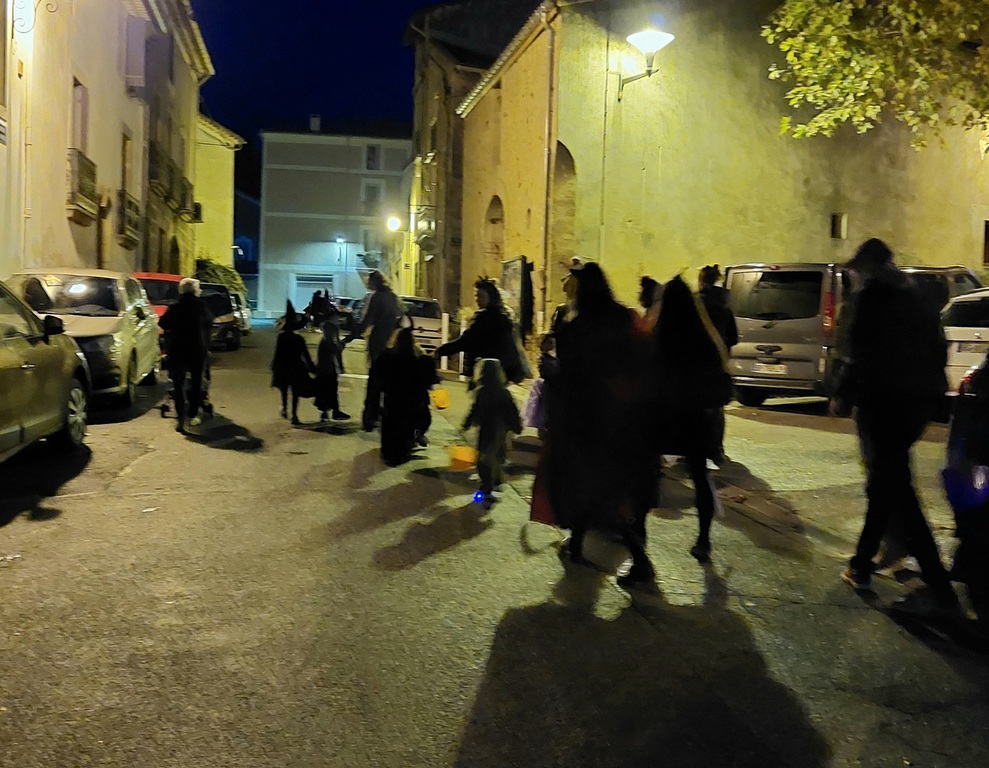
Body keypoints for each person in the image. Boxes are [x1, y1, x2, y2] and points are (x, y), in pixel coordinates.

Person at [831, 238, 959, 617]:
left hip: (882, 403)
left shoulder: (871, 298)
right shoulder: (917, 297)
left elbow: (859, 352)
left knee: (895, 488)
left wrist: (842, 394)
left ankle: (938, 587)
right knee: (886, 484)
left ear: (868, 268)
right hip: (915, 406)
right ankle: (862, 563)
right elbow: (938, 348)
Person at [547, 263, 656, 587]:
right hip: (622, 418)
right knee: (596, 488)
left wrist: (552, 368)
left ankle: (640, 560)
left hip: (586, 421)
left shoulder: (578, 326)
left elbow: (570, 373)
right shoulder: (624, 317)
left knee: (594, 491)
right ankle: (577, 544)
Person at [653, 275, 732, 563]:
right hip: (697, 418)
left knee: (646, 474)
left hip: (664, 417)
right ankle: (703, 539)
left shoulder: (660, 337)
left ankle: (639, 546)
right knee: (700, 476)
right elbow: (721, 382)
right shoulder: (706, 339)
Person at [435, 278, 526, 384]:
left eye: (481, 296)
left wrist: (440, 352)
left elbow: (466, 341)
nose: (477, 299)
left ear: (491, 298)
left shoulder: (486, 319)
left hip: (485, 372)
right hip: (500, 373)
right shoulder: (503, 317)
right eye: (476, 296)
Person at [371, 325, 438, 465]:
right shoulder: (418, 360)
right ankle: (404, 449)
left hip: (392, 397)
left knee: (391, 423)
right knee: (408, 424)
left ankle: (389, 452)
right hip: (412, 399)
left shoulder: (386, 357)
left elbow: (378, 378)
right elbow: (429, 379)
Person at [345, 270, 403, 429]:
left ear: (374, 283)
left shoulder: (376, 297)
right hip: (391, 341)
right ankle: (386, 412)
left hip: (378, 340)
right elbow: (400, 318)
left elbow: (367, 321)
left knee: (375, 377)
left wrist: (350, 337)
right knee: (389, 378)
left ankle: (371, 414)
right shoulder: (393, 297)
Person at [463, 358, 523, 504]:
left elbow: (475, 410)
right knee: (496, 456)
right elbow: (511, 411)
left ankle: (488, 485)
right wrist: (516, 426)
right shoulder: (504, 392)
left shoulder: (481, 392)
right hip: (499, 430)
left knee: (485, 457)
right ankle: (494, 481)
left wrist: (467, 423)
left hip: (486, 429)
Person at [159, 277, 213, 433]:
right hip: (197, 348)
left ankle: (181, 415)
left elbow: (163, 323)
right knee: (196, 382)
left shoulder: (175, 307)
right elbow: (210, 322)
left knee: (178, 383)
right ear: (196, 291)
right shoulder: (201, 306)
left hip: (177, 349)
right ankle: (193, 412)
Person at [697, 264, 738, 465]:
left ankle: (696, 449)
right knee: (716, 408)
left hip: (696, 363)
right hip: (717, 364)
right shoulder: (724, 305)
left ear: (701, 280)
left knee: (696, 407)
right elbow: (732, 337)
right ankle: (716, 449)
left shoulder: (695, 303)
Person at [271, 300, 315, 425]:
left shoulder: (282, 337)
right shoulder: (299, 339)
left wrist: (274, 367)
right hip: (296, 367)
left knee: (284, 389)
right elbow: (305, 355)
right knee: (295, 391)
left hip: (283, 366)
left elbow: (278, 353)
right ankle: (294, 414)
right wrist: (312, 368)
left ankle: (285, 408)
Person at [315, 321, 349, 422]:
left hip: (325, 370)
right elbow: (337, 350)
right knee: (331, 391)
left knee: (326, 391)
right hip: (328, 370)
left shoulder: (325, 342)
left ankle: (327, 411)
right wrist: (341, 341)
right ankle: (334, 411)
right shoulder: (327, 343)